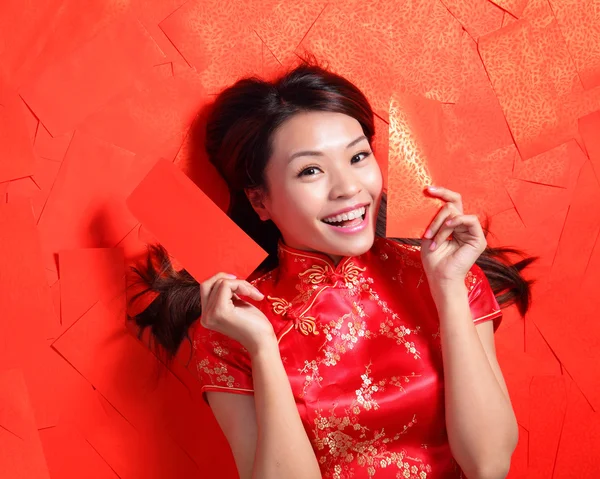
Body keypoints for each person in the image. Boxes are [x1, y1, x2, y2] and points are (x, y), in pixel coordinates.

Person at [128, 55, 537, 479]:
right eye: (310, 170)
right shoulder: (232, 326)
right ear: (259, 201)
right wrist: (264, 348)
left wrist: (449, 288)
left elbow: (489, 465)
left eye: (358, 157)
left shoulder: (445, 271)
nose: (349, 188)